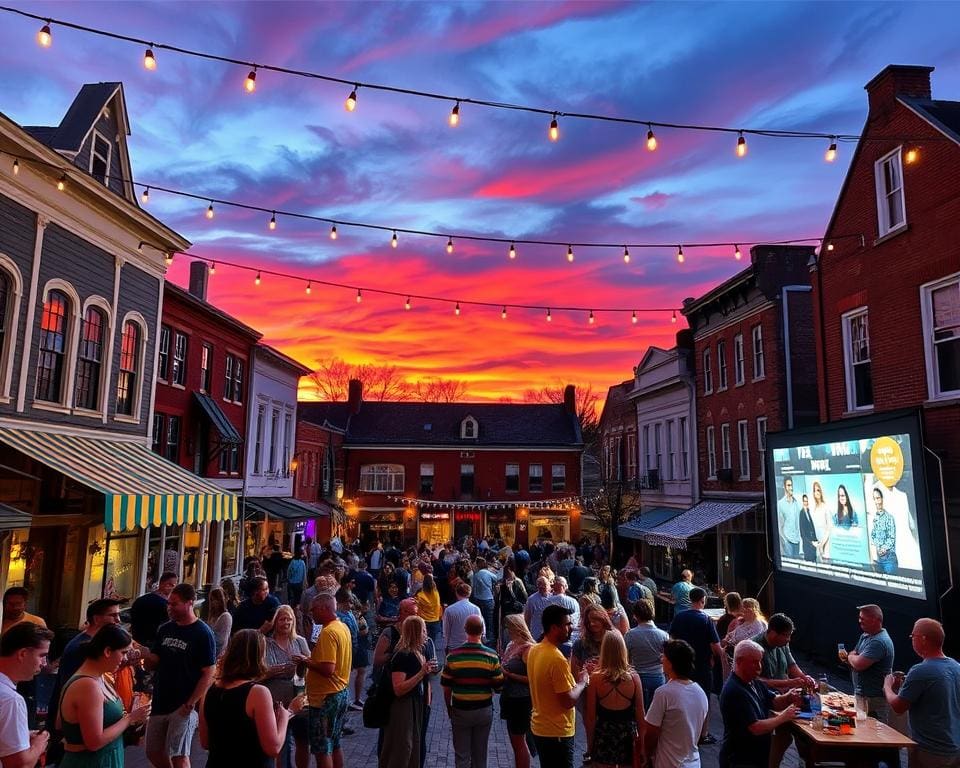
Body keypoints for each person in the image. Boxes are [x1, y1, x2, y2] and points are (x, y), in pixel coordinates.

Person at [142, 583, 216, 768]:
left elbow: (209, 672)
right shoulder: (165, 629)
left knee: (179, 755)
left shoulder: (202, 633)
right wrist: (143, 655)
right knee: (153, 751)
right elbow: (154, 660)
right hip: (160, 701)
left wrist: (191, 703)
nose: (169, 608)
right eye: (168, 604)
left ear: (189, 603)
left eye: (174, 604)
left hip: (183, 704)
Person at [57, 624, 152, 768]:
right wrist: (130, 719)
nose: (125, 658)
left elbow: (60, 722)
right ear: (108, 651)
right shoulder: (88, 685)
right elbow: (94, 742)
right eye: (123, 652)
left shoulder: (99, 678)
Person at [200, 629, 298, 768]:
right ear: (258, 657)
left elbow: (205, 742)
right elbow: (273, 748)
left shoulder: (209, 690)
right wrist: (285, 716)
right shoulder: (258, 693)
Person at [883, 618, 960, 767]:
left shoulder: (921, 670)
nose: (911, 640)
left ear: (923, 639)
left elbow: (898, 707)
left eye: (913, 636)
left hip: (930, 751)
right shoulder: (956, 667)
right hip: (954, 749)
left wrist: (887, 686)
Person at [719, 640, 800, 768]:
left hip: (755, 757)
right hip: (740, 760)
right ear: (739, 662)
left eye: (760, 661)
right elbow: (755, 728)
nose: (759, 666)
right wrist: (783, 717)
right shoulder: (734, 691)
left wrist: (789, 697)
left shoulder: (753, 681)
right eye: (754, 662)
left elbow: (774, 701)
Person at [527, 604, 589, 768]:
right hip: (557, 732)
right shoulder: (556, 659)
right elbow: (568, 700)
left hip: (540, 728)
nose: (571, 628)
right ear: (554, 628)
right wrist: (582, 682)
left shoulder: (535, 650)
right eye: (567, 624)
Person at [751, 613, 815, 768]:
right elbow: (756, 680)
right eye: (786, 636)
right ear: (773, 632)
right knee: (776, 740)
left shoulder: (783, 645)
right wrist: (788, 682)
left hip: (785, 698)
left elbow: (792, 666)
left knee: (795, 737)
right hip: (765, 703)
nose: (788, 640)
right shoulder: (754, 647)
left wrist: (804, 678)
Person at [441, 614, 504, 768]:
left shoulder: (453, 657)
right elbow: (499, 686)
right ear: (482, 630)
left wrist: (449, 707)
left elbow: (446, 686)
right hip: (483, 710)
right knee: (480, 754)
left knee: (462, 754)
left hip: (460, 709)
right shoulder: (491, 656)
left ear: (465, 630)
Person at [296, 594, 351, 768]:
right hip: (340, 692)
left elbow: (328, 669)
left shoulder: (328, 632)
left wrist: (306, 661)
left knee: (322, 748)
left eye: (313, 609)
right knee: (334, 743)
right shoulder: (342, 627)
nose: (312, 613)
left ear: (324, 608)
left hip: (326, 698)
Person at [645, 639, 709, 768]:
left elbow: (651, 733)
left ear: (671, 663)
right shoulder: (700, 692)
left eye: (664, 656)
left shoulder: (664, 693)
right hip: (694, 763)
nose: (661, 659)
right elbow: (702, 732)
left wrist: (647, 756)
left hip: (669, 763)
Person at [669, 587, 721, 744]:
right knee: (704, 699)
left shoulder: (679, 617)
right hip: (702, 666)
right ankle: (703, 733)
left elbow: (671, 639)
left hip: (682, 664)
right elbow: (716, 647)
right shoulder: (706, 620)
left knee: (681, 697)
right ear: (703, 600)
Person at [584, 631, 644, 768]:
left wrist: (590, 746)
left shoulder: (595, 678)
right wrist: (643, 746)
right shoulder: (634, 678)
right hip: (627, 735)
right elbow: (641, 715)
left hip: (604, 734)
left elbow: (591, 717)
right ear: (623, 650)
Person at [381, 616, 434, 768]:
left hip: (417, 704)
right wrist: (421, 673)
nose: (426, 634)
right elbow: (398, 688)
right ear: (416, 632)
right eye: (423, 630)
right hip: (404, 705)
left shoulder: (419, 651)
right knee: (403, 747)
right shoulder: (403, 654)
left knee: (413, 746)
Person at [0, 622, 52, 767]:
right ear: (23, 654)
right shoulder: (11, 700)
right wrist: (39, 744)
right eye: (42, 655)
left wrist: (23, 735)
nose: (44, 663)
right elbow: (19, 764)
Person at [499, 615, 536, 768]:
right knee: (515, 740)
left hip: (522, 699)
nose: (506, 630)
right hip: (509, 697)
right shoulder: (511, 644)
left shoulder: (528, 649)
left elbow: (533, 679)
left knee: (520, 740)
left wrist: (509, 675)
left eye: (508, 627)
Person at [625, 600, 670, 710]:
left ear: (635, 615)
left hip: (637, 678)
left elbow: (626, 659)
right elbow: (666, 659)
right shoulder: (664, 635)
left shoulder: (630, 635)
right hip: (658, 677)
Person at [130, 572, 177, 647]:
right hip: (154, 645)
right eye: (173, 586)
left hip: (136, 643)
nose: (174, 589)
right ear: (165, 585)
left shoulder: (140, 600)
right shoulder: (166, 606)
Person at [573, 604, 614, 685]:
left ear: (603, 619)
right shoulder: (580, 644)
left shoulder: (613, 640)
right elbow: (574, 673)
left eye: (595, 620)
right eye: (588, 621)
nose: (591, 624)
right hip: (587, 688)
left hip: (609, 688)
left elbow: (622, 667)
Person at [493, 565, 527, 650]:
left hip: (516, 613)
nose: (509, 578)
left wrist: (511, 591)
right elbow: (498, 603)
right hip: (506, 615)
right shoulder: (501, 584)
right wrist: (497, 593)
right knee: (506, 637)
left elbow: (524, 597)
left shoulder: (518, 582)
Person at [442, 583, 483, 654]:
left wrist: (446, 645)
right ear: (469, 593)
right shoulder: (476, 609)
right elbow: (481, 628)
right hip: (472, 646)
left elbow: (446, 630)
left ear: (457, 593)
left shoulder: (449, 610)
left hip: (454, 646)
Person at [471, 559, 501, 645]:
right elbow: (498, 578)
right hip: (488, 599)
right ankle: (489, 641)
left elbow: (473, 588)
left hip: (477, 599)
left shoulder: (475, 575)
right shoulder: (489, 574)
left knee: (480, 619)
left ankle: (481, 638)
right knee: (489, 621)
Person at [548, 577, 581, 656]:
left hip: (551, 639)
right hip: (568, 640)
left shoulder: (547, 601)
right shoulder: (573, 601)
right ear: (565, 587)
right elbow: (576, 620)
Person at [871, 488, 898, 574]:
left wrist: (883, 549)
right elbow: (873, 536)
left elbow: (891, 538)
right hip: (878, 559)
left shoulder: (889, 517)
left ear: (882, 499)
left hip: (889, 558)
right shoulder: (875, 518)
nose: (876, 501)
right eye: (874, 499)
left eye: (878, 498)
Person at [415, 574, 443, 650]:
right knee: (432, 641)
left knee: (423, 641)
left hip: (424, 621)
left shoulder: (420, 595)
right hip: (435, 621)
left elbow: (416, 608)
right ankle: (431, 655)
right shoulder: (436, 593)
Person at [203, 587, 232, 658]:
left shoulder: (225, 616)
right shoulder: (213, 615)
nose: (213, 602)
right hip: (209, 651)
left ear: (220, 600)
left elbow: (221, 640)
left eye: (215, 599)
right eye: (211, 600)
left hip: (218, 654)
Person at [777, 477, 801, 558]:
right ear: (784, 487)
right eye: (788, 485)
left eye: (792, 485)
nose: (791, 488)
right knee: (790, 565)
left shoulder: (796, 502)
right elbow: (779, 526)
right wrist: (785, 541)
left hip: (797, 540)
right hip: (788, 541)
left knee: (797, 567)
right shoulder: (780, 504)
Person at [524, 577, 554, 641]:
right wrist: (527, 632)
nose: (541, 586)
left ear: (549, 585)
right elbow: (527, 618)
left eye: (544, 584)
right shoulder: (531, 599)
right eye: (539, 585)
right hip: (536, 634)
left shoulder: (554, 598)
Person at [810, 481, 831, 562]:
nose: (816, 492)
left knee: (826, 567)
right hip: (817, 544)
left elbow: (829, 528)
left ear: (821, 492)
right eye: (815, 490)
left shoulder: (825, 506)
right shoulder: (814, 508)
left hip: (825, 543)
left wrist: (822, 544)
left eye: (818, 490)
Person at [798, 495, 819, 562]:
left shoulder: (808, 511)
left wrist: (815, 540)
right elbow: (802, 533)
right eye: (804, 501)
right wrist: (811, 543)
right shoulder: (801, 513)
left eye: (807, 501)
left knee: (814, 561)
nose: (806, 503)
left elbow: (812, 528)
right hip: (807, 546)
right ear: (802, 502)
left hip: (813, 545)